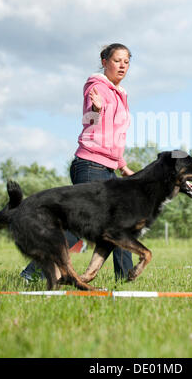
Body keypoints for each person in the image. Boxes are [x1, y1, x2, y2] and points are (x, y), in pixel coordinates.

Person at [69, 43, 134, 281]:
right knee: (79, 226)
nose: (122, 66)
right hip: (89, 165)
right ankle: (31, 274)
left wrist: (123, 166)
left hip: (107, 168)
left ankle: (126, 281)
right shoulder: (96, 86)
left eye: (126, 62)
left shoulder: (120, 93)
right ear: (104, 61)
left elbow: (114, 137)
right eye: (117, 60)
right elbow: (89, 120)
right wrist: (95, 109)